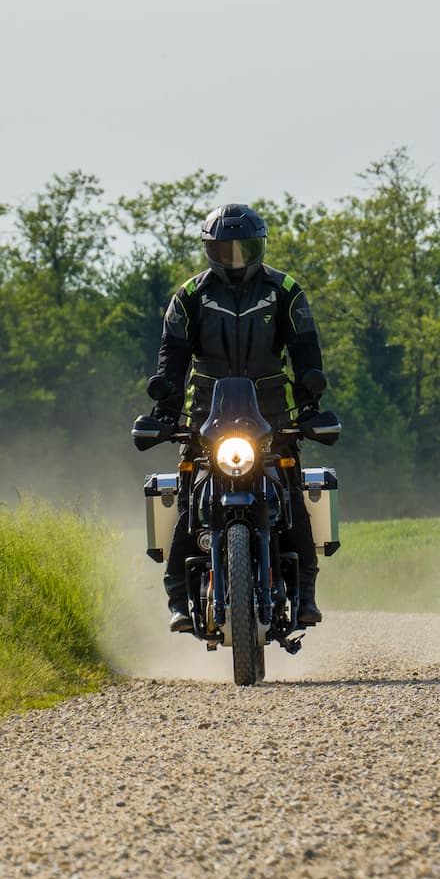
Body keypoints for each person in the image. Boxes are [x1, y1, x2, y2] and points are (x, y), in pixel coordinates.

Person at [132, 203, 331, 631]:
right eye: (227, 249)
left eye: (245, 248)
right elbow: (172, 357)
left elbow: (305, 348)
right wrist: (164, 409)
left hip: (272, 412)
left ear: (260, 247)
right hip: (207, 412)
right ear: (210, 251)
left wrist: (311, 402)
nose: (237, 258)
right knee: (190, 496)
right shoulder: (190, 296)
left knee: (292, 494)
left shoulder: (285, 290)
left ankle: (307, 593)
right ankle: (179, 599)